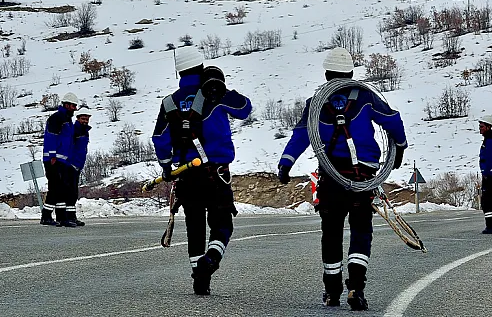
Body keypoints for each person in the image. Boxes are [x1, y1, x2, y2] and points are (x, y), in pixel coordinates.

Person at [277, 47, 408, 312]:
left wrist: (286, 162)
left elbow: (301, 135)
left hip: (331, 177)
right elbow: (392, 120)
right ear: (350, 73)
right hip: (362, 176)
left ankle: (331, 291)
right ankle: (356, 288)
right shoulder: (366, 98)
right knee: (361, 230)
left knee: (331, 232)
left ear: (326, 74)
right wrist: (400, 147)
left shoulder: (316, 103)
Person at [151, 46, 252, 296]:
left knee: (194, 227)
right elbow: (245, 109)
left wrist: (166, 167)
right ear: (201, 66)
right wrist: (224, 88)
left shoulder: (169, 103)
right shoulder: (215, 93)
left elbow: (159, 140)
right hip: (215, 172)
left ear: (179, 72)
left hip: (186, 175)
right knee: (222, 223)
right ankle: (212, 258)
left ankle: (199, 279)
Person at [41, 92, 78, 226]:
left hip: (63, 161)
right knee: (55, 188)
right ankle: (46, 216)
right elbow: (51, 137)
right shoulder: (57, 118)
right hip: (53, 160)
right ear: (67, 105)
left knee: (62, 188)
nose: (74, 108)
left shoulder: (68, 121)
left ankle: (62, 218)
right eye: (73, 106)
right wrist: (52, 156)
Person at [64, 107, 92, 228]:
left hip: (78, 165)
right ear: (78, 118)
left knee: (74, 192)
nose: (85, 121)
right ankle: (67, 217)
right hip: (71, 165)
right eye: (83, 118)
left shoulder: (84, 131)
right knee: (69, 192)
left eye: (87, 119)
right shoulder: (74, 130)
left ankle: (72, 216)